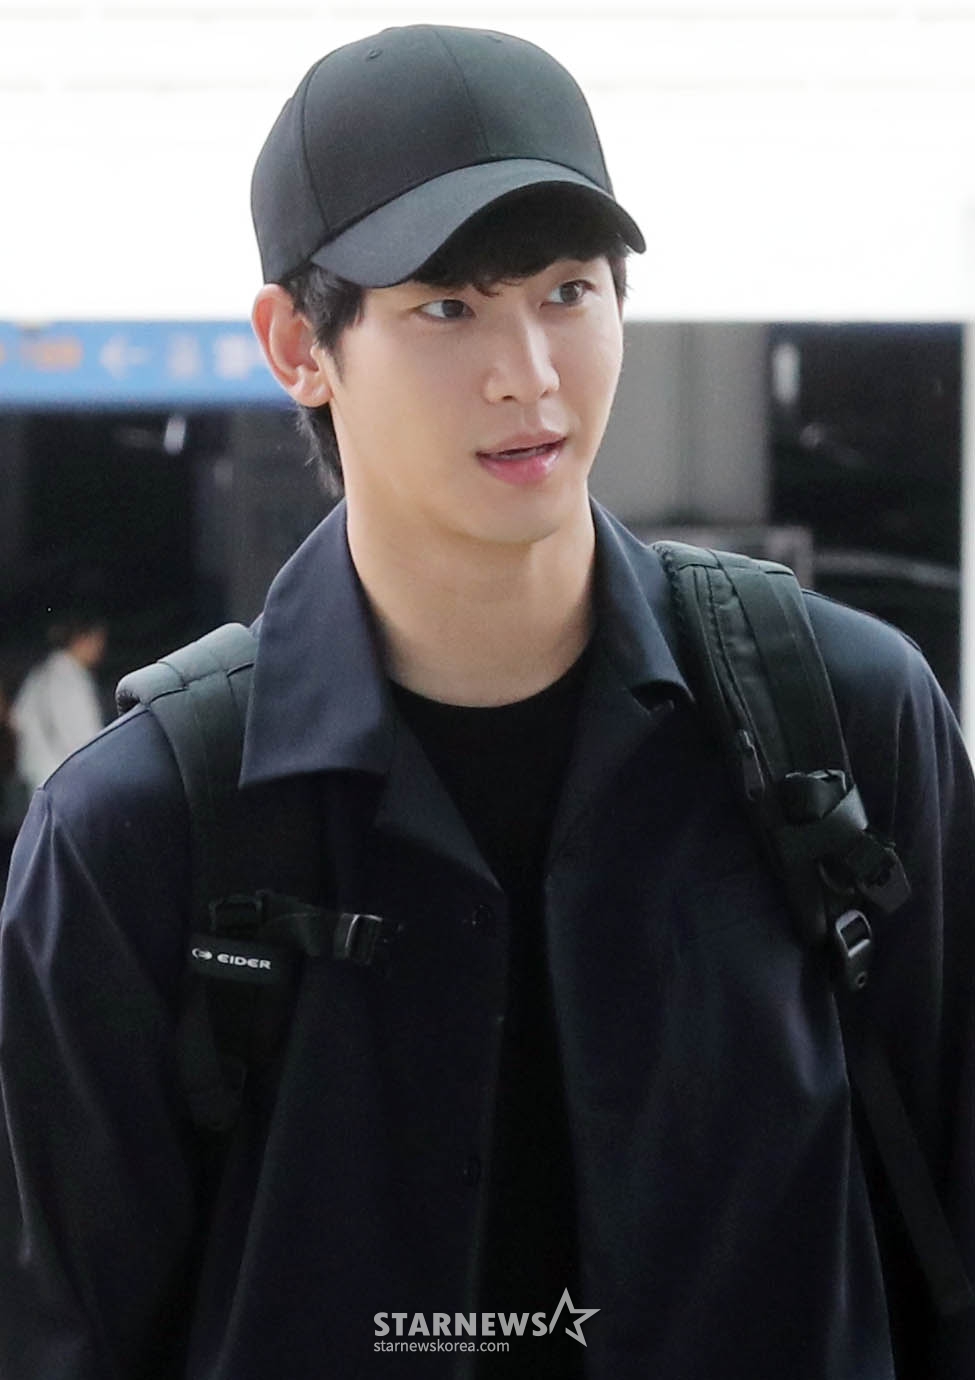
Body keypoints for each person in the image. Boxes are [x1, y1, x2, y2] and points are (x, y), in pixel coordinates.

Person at [0, 23, 972, 1380]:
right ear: (298, 345)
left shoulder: (844, 726)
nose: (530, 371)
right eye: (448, 308)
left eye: (569, 290)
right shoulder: (136, 833)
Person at [9, 611, 107, 793]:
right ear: (82, 639)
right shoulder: (71, 676)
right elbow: (85, 739)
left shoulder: (40, 673)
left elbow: (17, 719)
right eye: (98, 640)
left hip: (38, 777)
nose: (101, 648)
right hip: (67, 780)